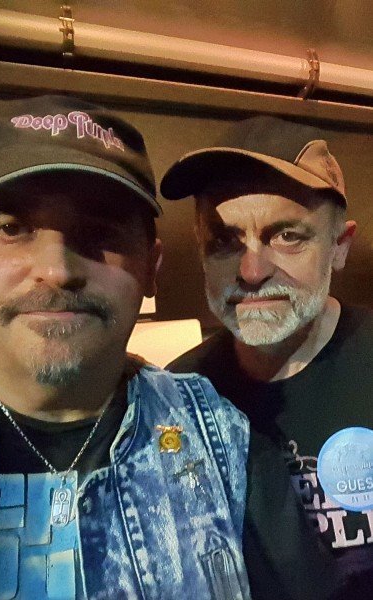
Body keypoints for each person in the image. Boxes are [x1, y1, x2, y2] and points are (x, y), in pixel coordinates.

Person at [0, 95, 251, 600]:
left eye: (99, 232)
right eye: (13, 229)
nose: (57, 270)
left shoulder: (221, 437)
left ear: (151, 268)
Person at [160, 116, 373, 600]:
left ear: (339, 246)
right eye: (224, 241)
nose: (252, 270)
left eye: (287, 236)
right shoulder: (179, 399)